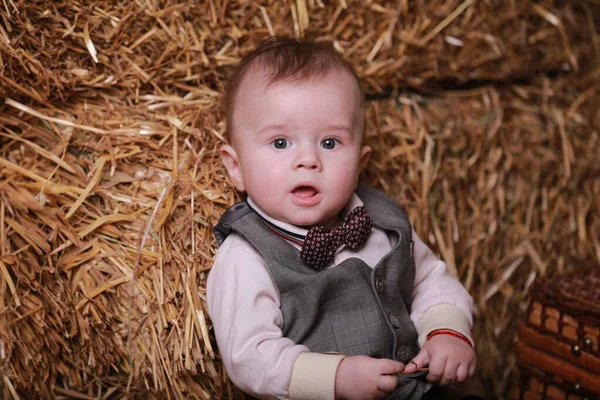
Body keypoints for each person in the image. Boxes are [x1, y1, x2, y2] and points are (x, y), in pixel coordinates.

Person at [207, 38, 477, 400]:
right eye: (281, 142)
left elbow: (430, 280)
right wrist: (333, 378)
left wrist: (447, 331)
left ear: (359, 164)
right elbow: (248, 355)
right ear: (236, 168)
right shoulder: (247, 256)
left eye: (330, 143)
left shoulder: (382, 223)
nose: (308, 160)